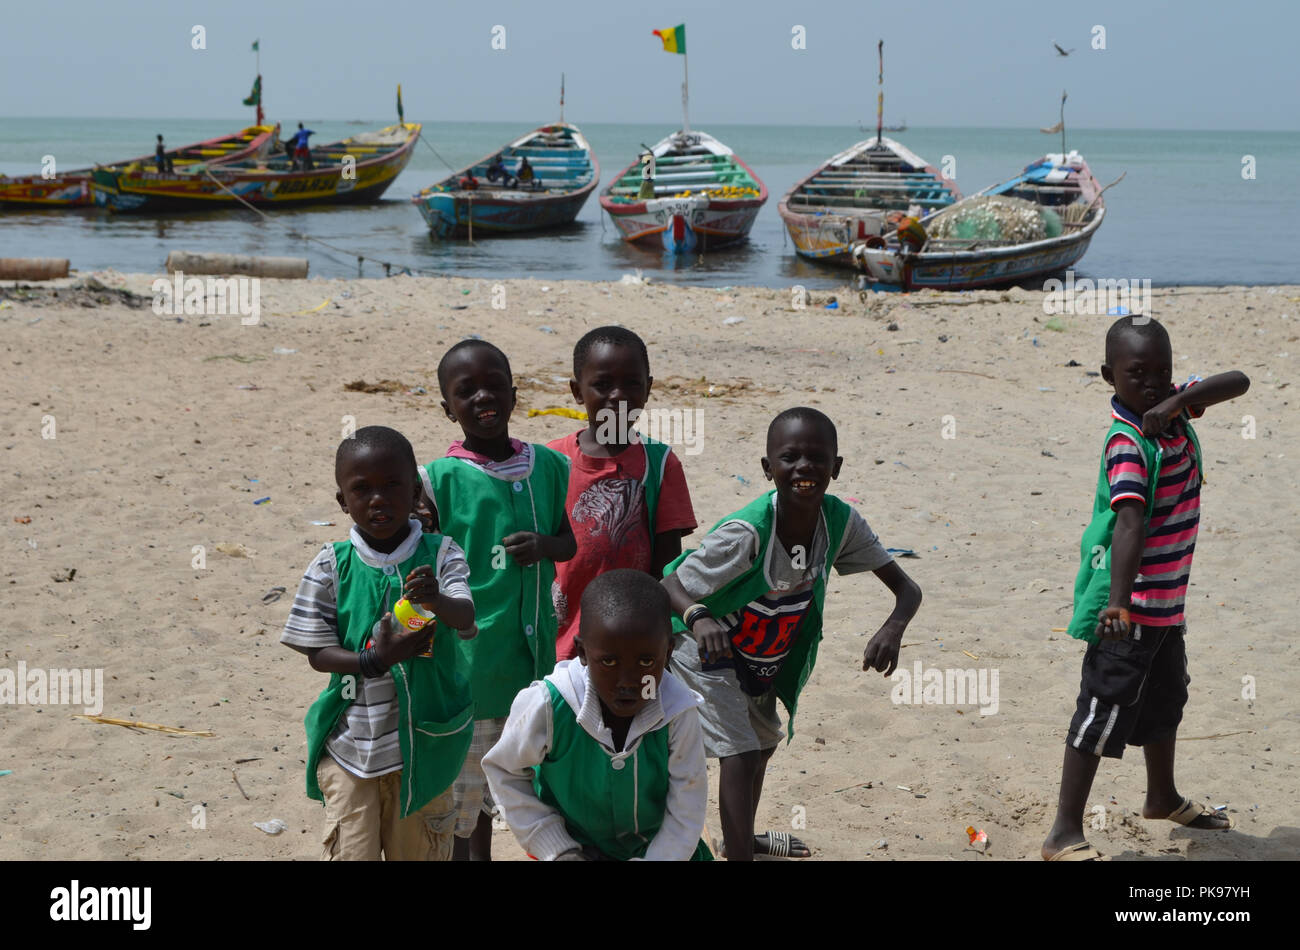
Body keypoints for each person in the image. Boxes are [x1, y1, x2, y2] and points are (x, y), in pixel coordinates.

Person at [663, 407, 922, 860]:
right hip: (709, 652)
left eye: (817, 458)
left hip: (765, 657)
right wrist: (699, 618)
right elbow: (670, 583)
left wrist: (893, 628)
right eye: (790, 457)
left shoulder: (840, 523)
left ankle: (740, 838)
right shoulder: (747, 533)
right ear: (769, 469)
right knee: (739, 753)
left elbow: (908, 589)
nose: (804, 467)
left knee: (761, 746)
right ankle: (740, 852)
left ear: (836, 468)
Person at [1041, 317, 1250, 861]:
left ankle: (1162, 796)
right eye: (1138, 374)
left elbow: (1239, 380)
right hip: (1129, 609)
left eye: (1164, 371)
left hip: (1167, 605)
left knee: (1166, 700)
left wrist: (1177, 403)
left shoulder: (1173, 412)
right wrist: (1116, 604)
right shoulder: (1127, 444)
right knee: (1101, 710)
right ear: (1110, 376)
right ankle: (1064, 830)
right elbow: (1129, 525)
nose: (1153, 383)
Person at [281, 426, 477, 860]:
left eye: (392, 485)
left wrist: (436, 599)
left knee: (420, 851)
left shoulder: (442, 554)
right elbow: (317, 653)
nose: (378, 499)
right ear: (342, 501)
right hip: (352, 746)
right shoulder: (330, 565)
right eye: (362, 489)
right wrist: (373, 659)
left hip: (424, 747)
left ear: (415, 492)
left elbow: (465, 617)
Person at [419, 339, 576, 861]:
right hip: (471, 668)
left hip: (532, 667)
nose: (483, 398)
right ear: (448, 408)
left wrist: (544, 547)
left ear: (514, 392)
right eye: (466, 392)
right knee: (468, 803)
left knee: (524, 784)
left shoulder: (550, 468)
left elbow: (568, 541)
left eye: (493, 386)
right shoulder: (437, 482)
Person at [484, 569, 711, 860]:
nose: (627, 680)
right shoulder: (548, 704)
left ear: (668, 653)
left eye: (645, 661)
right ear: (581, 652)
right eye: (608, 661)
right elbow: (504, 770)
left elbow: (687, 807)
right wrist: (558, 848)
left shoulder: (678, 711)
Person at [548, 326, 697, 664]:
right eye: (602, 385)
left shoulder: (659, 465)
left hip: (630, 639)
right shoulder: (551, 463)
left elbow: (667, 565)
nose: (618, 395)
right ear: (577, 391)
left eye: (632, 383)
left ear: (648, 389)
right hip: (558, 641)